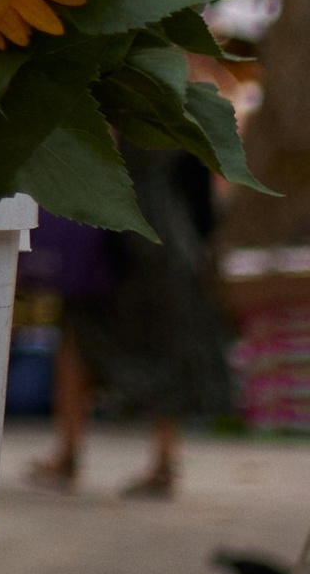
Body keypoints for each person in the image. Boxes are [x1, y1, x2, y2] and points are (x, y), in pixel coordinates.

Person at [29, 150, 231, 495]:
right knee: (164, 344)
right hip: (165, 244)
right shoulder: (175, 114)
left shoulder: (110, 108)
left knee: (78, 339)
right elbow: (202, 195)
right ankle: (163, 460)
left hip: (112, 235)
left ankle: (69, 454)